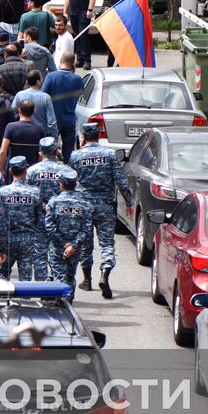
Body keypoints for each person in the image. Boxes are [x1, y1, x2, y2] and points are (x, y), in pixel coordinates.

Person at [69, 122, 132, 297]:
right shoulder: (110, 154)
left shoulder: (75, 156)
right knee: (106, 243)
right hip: (105, 205)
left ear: (83, 137)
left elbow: (69, 182)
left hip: (84, 206)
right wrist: (129, 201)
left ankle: (87, 280)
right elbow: (121, 180)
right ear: (98, 135)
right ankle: (105, 275)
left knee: (85, 244)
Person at [42, 168, 91, 287]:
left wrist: (64, 244)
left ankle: (61, 303)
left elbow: (49, 227)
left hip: (57, 247)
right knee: (70, 277)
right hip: (75, 249)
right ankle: (68, 302)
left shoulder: (54, 203)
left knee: (58, 277)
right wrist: (73, 246)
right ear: (75, 185)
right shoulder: (84, 204)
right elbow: (87, 229)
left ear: (61, 185)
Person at [0, 156, 44, 279]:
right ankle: (25, 298)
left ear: (10, 171)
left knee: (3, 273)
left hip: (7, 238)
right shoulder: (35, 192)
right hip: (28, 239)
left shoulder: (2, 192)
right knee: (25, 274)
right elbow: (40, 218)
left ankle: (2, 297)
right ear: (26, 171)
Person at [41, 53, 84, 159]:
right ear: (73, 63)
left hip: (53, 120)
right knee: (69, 151)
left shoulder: (51, 76)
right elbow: (80, 96)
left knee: (50, 148)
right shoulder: (77, 79)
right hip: (69, 119)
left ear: (61, 61)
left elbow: (43, 95)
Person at [0, 97, 49, 170]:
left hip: (14, 170)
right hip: (31, 170)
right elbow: (41, 155)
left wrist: (1, 169)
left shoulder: (10, 127)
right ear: (33, 112)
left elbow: (3, 152)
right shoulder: (40, 130)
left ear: (19, 110)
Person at [63, 0, 94, 70]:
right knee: (76, 35)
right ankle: (79, 59)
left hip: (83, 12)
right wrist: (65, 11)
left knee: (83, 35)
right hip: (73, 12)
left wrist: (90, 9)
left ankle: (87, 61)